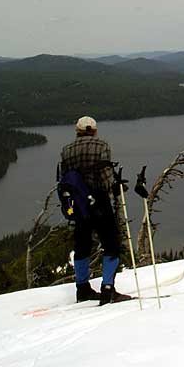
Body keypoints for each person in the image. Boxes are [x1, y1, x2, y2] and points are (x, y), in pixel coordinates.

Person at [59, 115, 132, 305]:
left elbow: (64, 178)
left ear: (78, 130)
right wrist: (114, 189)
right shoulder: (102, 146)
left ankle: (82, 289)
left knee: (82, 244)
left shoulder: (66, 151)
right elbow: (105, 176)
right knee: (111, 243)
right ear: (94, 130)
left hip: (79, 203)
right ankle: (108, 288)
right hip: (99, 200)